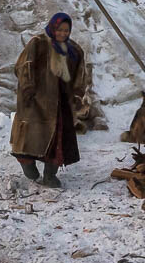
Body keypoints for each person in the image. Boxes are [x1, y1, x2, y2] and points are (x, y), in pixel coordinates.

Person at [9, 12, 88, 187]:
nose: (62, 34)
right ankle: (28, 167)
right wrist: (28, 88)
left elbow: (80, 76)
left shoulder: (74, 50)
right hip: (35, 101)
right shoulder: (37, 43)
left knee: (57, 141)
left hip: (61, 104)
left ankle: (50, 175)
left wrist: (77, 95)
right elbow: (23, 66)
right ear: (53, 27)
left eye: (66, 30)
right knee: (28, 138)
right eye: (59, 29)